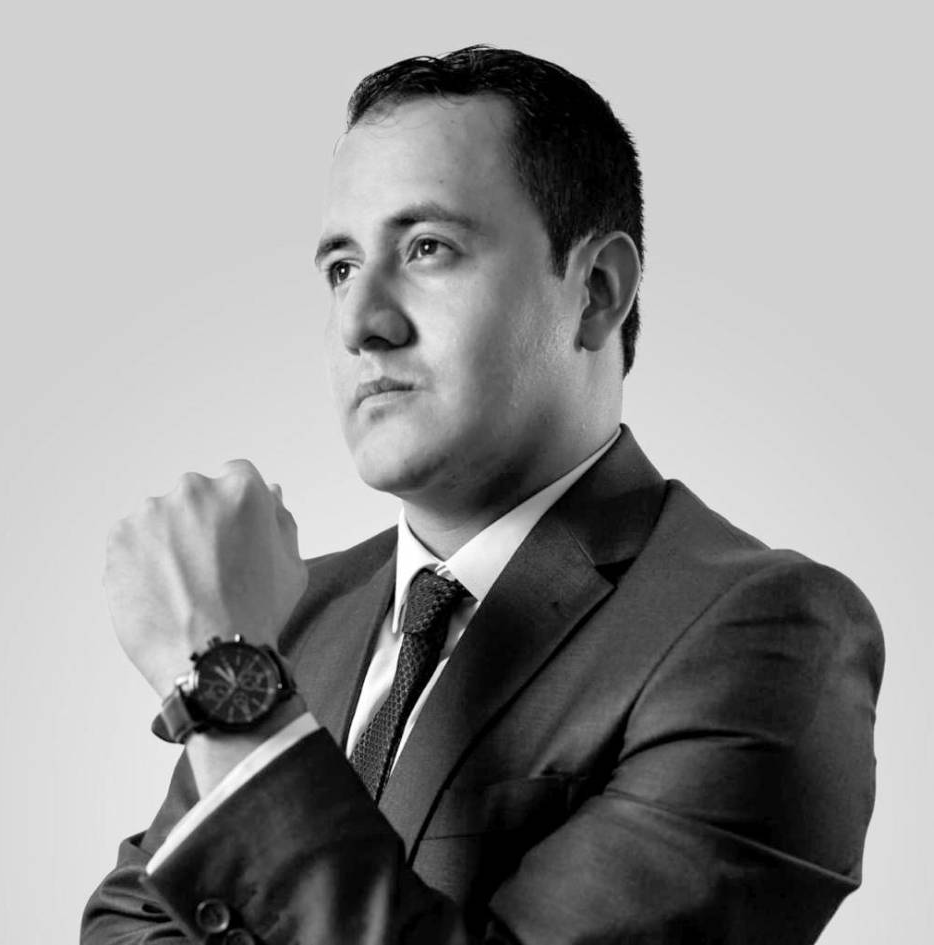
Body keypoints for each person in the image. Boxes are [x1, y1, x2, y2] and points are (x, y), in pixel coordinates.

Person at [81, 46, 884, 944]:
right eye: (341, 267)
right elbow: (126, 919)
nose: (360, 324)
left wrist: (228, 687)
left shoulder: (768, 632)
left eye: (428, 249)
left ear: (597, 292)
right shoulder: (294, 611)